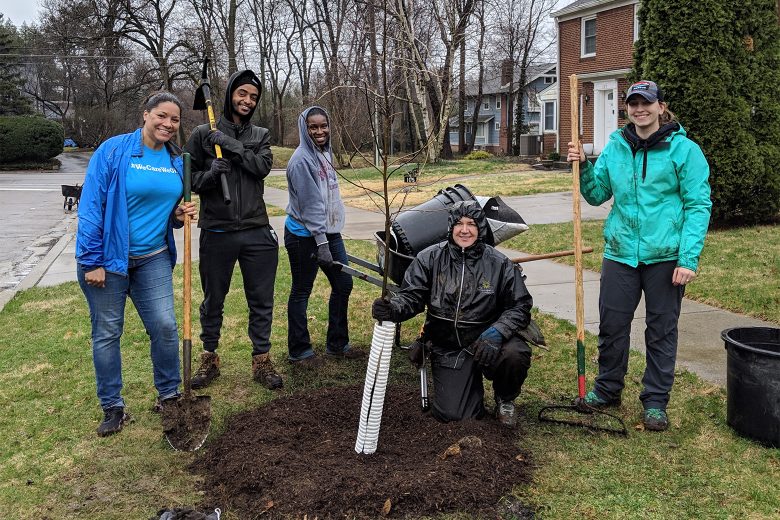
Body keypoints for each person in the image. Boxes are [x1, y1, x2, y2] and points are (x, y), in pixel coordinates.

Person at [567, 80, 711, 431]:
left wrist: (687, 259)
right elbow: (598, 194)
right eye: (632, 103)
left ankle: (656, 402)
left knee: (661, 330)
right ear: (627, 109)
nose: (639, 109)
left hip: (665, 256)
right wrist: (584, 166)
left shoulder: (685, 151)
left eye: (646, 103)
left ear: (661, 107)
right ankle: (607, 389)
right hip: (620, 253)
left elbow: (698, 205)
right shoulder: (616, 146)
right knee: (612, 326)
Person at [76, 91, 198, 437]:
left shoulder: (176, 161)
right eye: (161, 116)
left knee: (164, 326)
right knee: (107, 333)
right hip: (108, 260)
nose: (168, 124)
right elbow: (91, 207)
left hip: (153, 257)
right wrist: (91, 260)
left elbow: (166, 212)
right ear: (145, 115)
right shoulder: (114, 152)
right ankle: (112, 406)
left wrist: (179, 214)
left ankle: (169, 395)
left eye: (174, 119)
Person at [371, 201, 533, 427]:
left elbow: (520, 305)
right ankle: (467, 385)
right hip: (448, 346)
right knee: (455, 416)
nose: (464, 230)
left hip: (487, 340)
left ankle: (505, 399)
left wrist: (497, 332)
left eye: (471, 224)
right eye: (459, 223)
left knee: (515, 354)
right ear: (450, 227)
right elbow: (411, 297)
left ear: (481, 228)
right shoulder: (430, 259)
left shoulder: (499, 264)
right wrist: (393, 308)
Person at [184, 70, 283, 391]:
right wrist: (211, 174)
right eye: (242, 94)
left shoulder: (261, 134)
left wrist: (230, 145)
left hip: (257, 231)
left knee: (261, 300)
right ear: (229, 95)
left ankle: (262, 361)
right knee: (213, 299)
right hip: (217, 231)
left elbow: (261, 168)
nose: (247, 101)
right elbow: (186, 180)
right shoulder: (202, 134)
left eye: (253, 97)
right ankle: (209, 357)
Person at [284, 106, 364, 366]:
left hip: (329, 233)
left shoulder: (324, 152)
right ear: (304, 129)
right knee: (302, 290)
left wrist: (330, 234)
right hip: (303, 236)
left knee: (343, 284)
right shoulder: (300, 161)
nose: (319, 131)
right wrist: (321, 243)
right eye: (313, 127)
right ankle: (299, 351)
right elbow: (311, 206)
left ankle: (337, 345)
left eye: (323, 125)